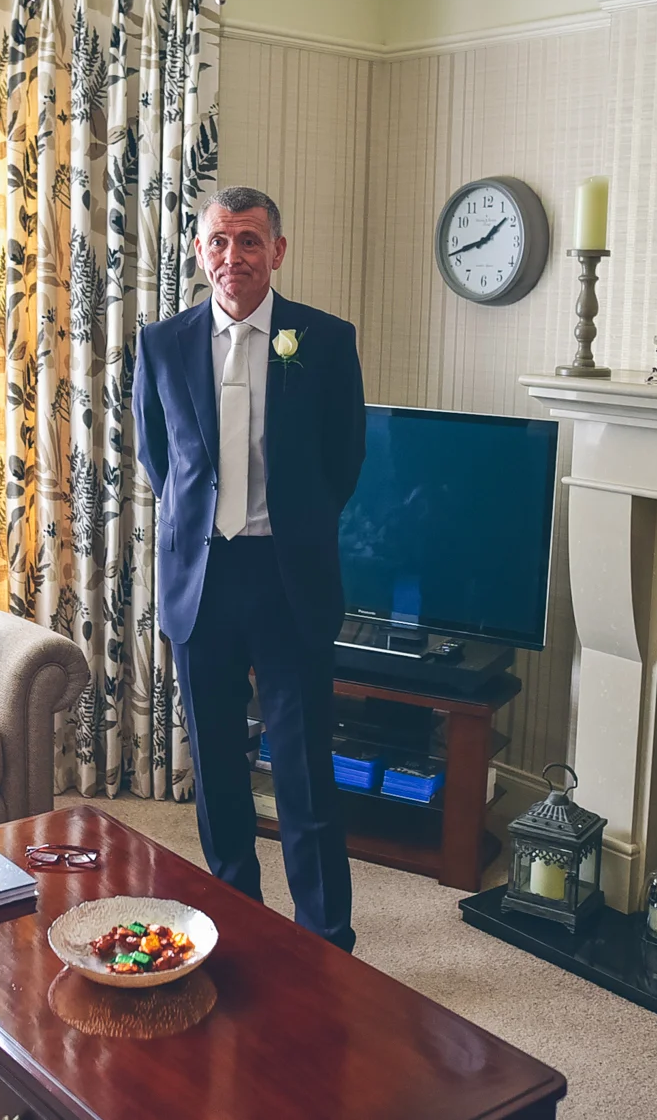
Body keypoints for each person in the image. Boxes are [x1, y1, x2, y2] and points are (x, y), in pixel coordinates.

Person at [131, 185, 366, 951]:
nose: (234, 257)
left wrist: (291, 524)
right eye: (220, 241)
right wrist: (200, 525)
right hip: (201, 581)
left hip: (289, 578)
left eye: (251, 241)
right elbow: (159, 458)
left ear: (278, 250)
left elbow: (345, 459)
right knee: (220, 770)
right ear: (200, 252)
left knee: (303, 769)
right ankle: (236, 918)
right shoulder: (162, 344)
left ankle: (326, 937)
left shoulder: (326, 342)